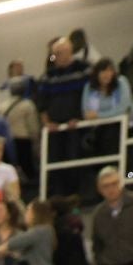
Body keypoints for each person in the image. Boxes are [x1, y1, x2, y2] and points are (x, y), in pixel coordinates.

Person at [37, 38, 92, 197]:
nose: (58, 57)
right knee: (55, 163)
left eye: (61, 53)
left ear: (70, 51)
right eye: (55, 54)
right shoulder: (47, 76)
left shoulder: (84, 69)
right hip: (55, 129)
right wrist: (47, 123)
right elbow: (42, 104)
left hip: (78, 127)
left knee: (76, 159)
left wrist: (82, 119)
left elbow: (91, 96)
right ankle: (59, 198)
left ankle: (78, 197)